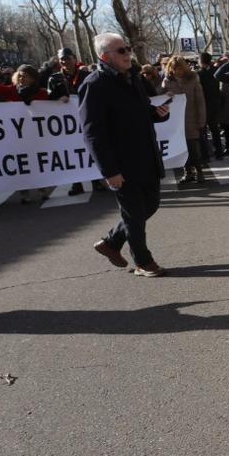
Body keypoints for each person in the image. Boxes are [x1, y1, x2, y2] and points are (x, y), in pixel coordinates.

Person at [79, 32, 173, 277]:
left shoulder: (134, 78)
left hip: (147, 157)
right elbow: (93, 133)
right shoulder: (94, 85)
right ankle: (143, 261)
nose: (127, 54)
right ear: (105, 57)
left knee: (149, 206)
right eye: (121, 50)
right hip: (121, 163)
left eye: (127, 48)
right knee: (133, 214)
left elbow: (143, 112)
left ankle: (111, 243)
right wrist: (110, 171)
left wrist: (158, 113)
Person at [161, 56, 208, 187]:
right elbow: (160, 98)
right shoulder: (167, 81)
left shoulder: (193, 79)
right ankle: (187, 172)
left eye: (180, 68)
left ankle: (199, 172)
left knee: (194, 148)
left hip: (191, 119)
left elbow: (200, 101)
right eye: (175, 68)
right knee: (181, 149)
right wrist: (166, 94)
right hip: (175, 122)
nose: (178, 71)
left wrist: (201, 120)